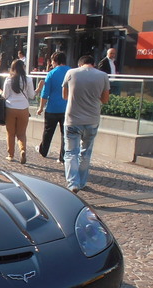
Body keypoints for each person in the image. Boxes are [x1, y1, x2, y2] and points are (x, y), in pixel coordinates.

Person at [62, 55, 110, 193]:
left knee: (71, 153)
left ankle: (73, 184)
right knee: (85, 153)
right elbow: (105, 99)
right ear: (93, 64)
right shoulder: (103, 76)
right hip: (92, 120)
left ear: (80, 64)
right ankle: (82, 182)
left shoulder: (71, 73)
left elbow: (64, 96)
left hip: (72, 119)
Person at [0, 59, 35, 164]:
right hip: (23, 109)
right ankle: (22, 150)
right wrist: (38, 89)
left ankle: (11, 155)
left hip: (10, 108)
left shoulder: (9, 80)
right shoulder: (28, 80)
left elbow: (5, 96)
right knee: (21, 134)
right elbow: (31, 96)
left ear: (12, 68)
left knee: (10, 133)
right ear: (23, 68)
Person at [34, 51, 70, 162]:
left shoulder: (51, 73)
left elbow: (45, 93)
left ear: (55, 61)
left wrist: (40, 107)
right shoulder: (71, 72)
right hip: (67, 108)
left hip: (52, 108)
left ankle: (43, 151)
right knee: (65, 134)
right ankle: (62, 157)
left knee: (48, 131)